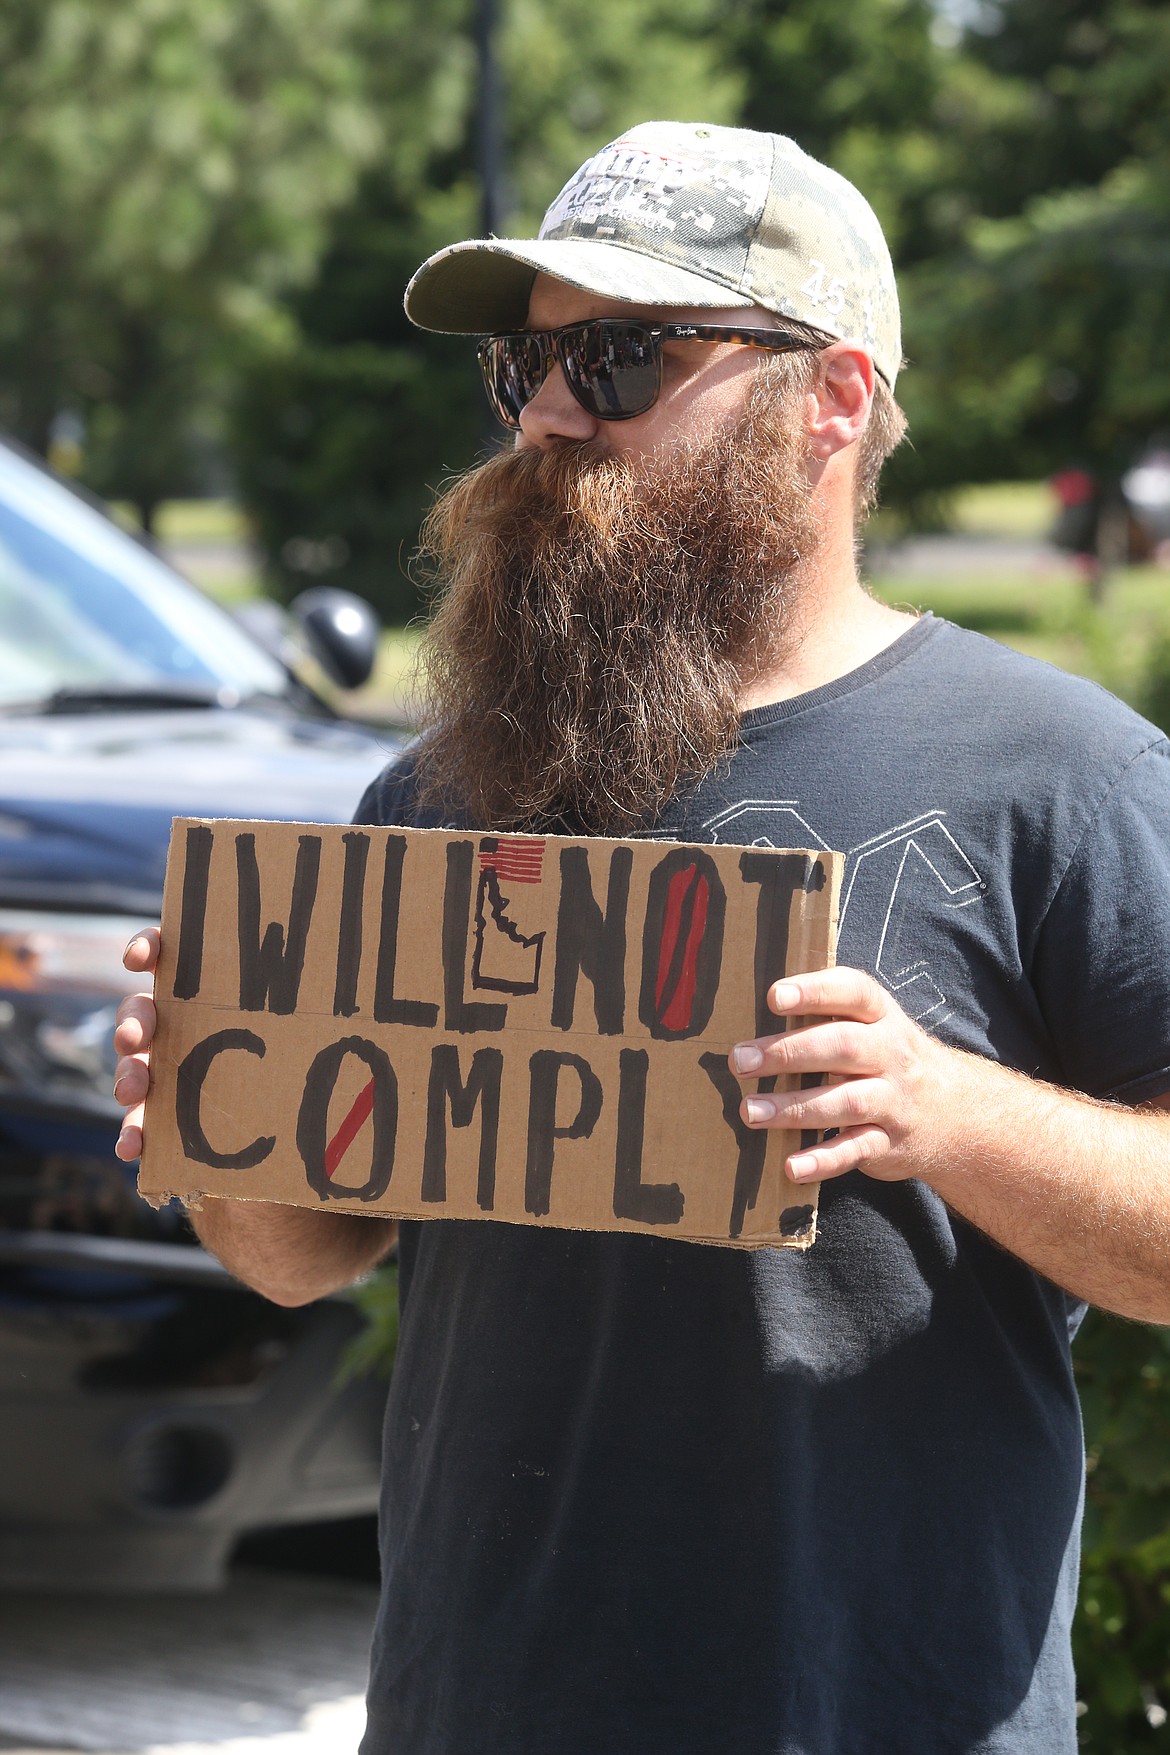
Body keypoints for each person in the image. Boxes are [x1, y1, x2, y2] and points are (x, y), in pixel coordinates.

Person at [113, 122, 1170, 1754]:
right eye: (527, 364)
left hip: (871, 1712)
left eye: (618, 358)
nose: (546, 412)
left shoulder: (1058, 771)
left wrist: (942, 1110)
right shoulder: (447, 789)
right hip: (479, 1703)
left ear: (828, 397)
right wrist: (216, 1108)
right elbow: (307, 1250)